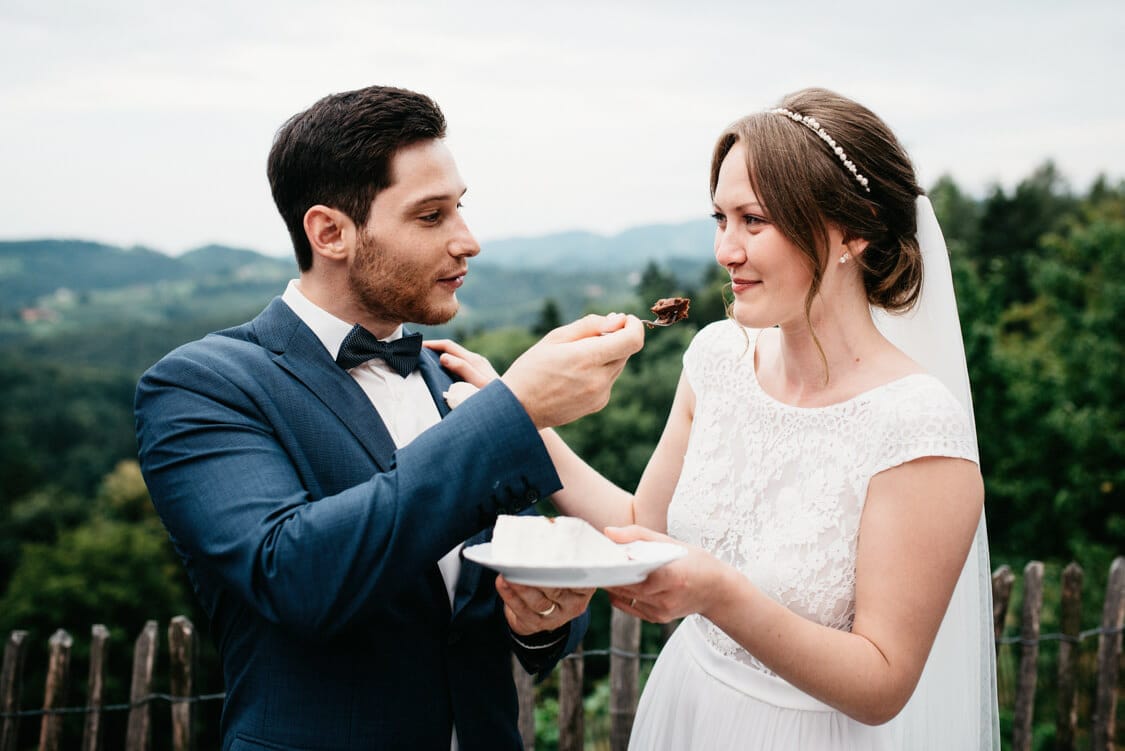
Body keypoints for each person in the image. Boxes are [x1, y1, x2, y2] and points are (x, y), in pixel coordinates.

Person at [432, 88, 1000, 750]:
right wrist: (512, 413)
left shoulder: (917, 427)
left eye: (753, 220)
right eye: (719, 218)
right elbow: (642, 525)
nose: (725, 250)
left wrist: (718, 595)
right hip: (683, 709)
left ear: (854, 231)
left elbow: (882, 682)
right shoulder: (716, 357)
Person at [134, 85, 645, 751]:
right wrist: (513, 409)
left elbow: (508, 578)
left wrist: (541, 618)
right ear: (330, 232)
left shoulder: (452, 377)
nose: (469, 241)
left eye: (459, 208)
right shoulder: (200, 386)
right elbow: (296, 576)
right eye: (431, 216)